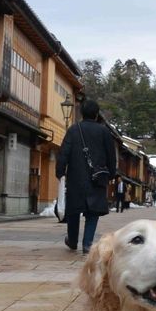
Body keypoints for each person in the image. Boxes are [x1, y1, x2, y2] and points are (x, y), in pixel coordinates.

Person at [56, 98, 117, 253]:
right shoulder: (104, 132)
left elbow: (64, 153)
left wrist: (60, 171)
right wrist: (110, 173)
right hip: (97, 178)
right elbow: (111, 156)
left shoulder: (73, 130)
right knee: (93, 212)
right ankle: (87, 243)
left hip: (76, 178)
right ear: (96, 114)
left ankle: (72, 240)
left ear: (82, 113)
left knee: (73, 210)